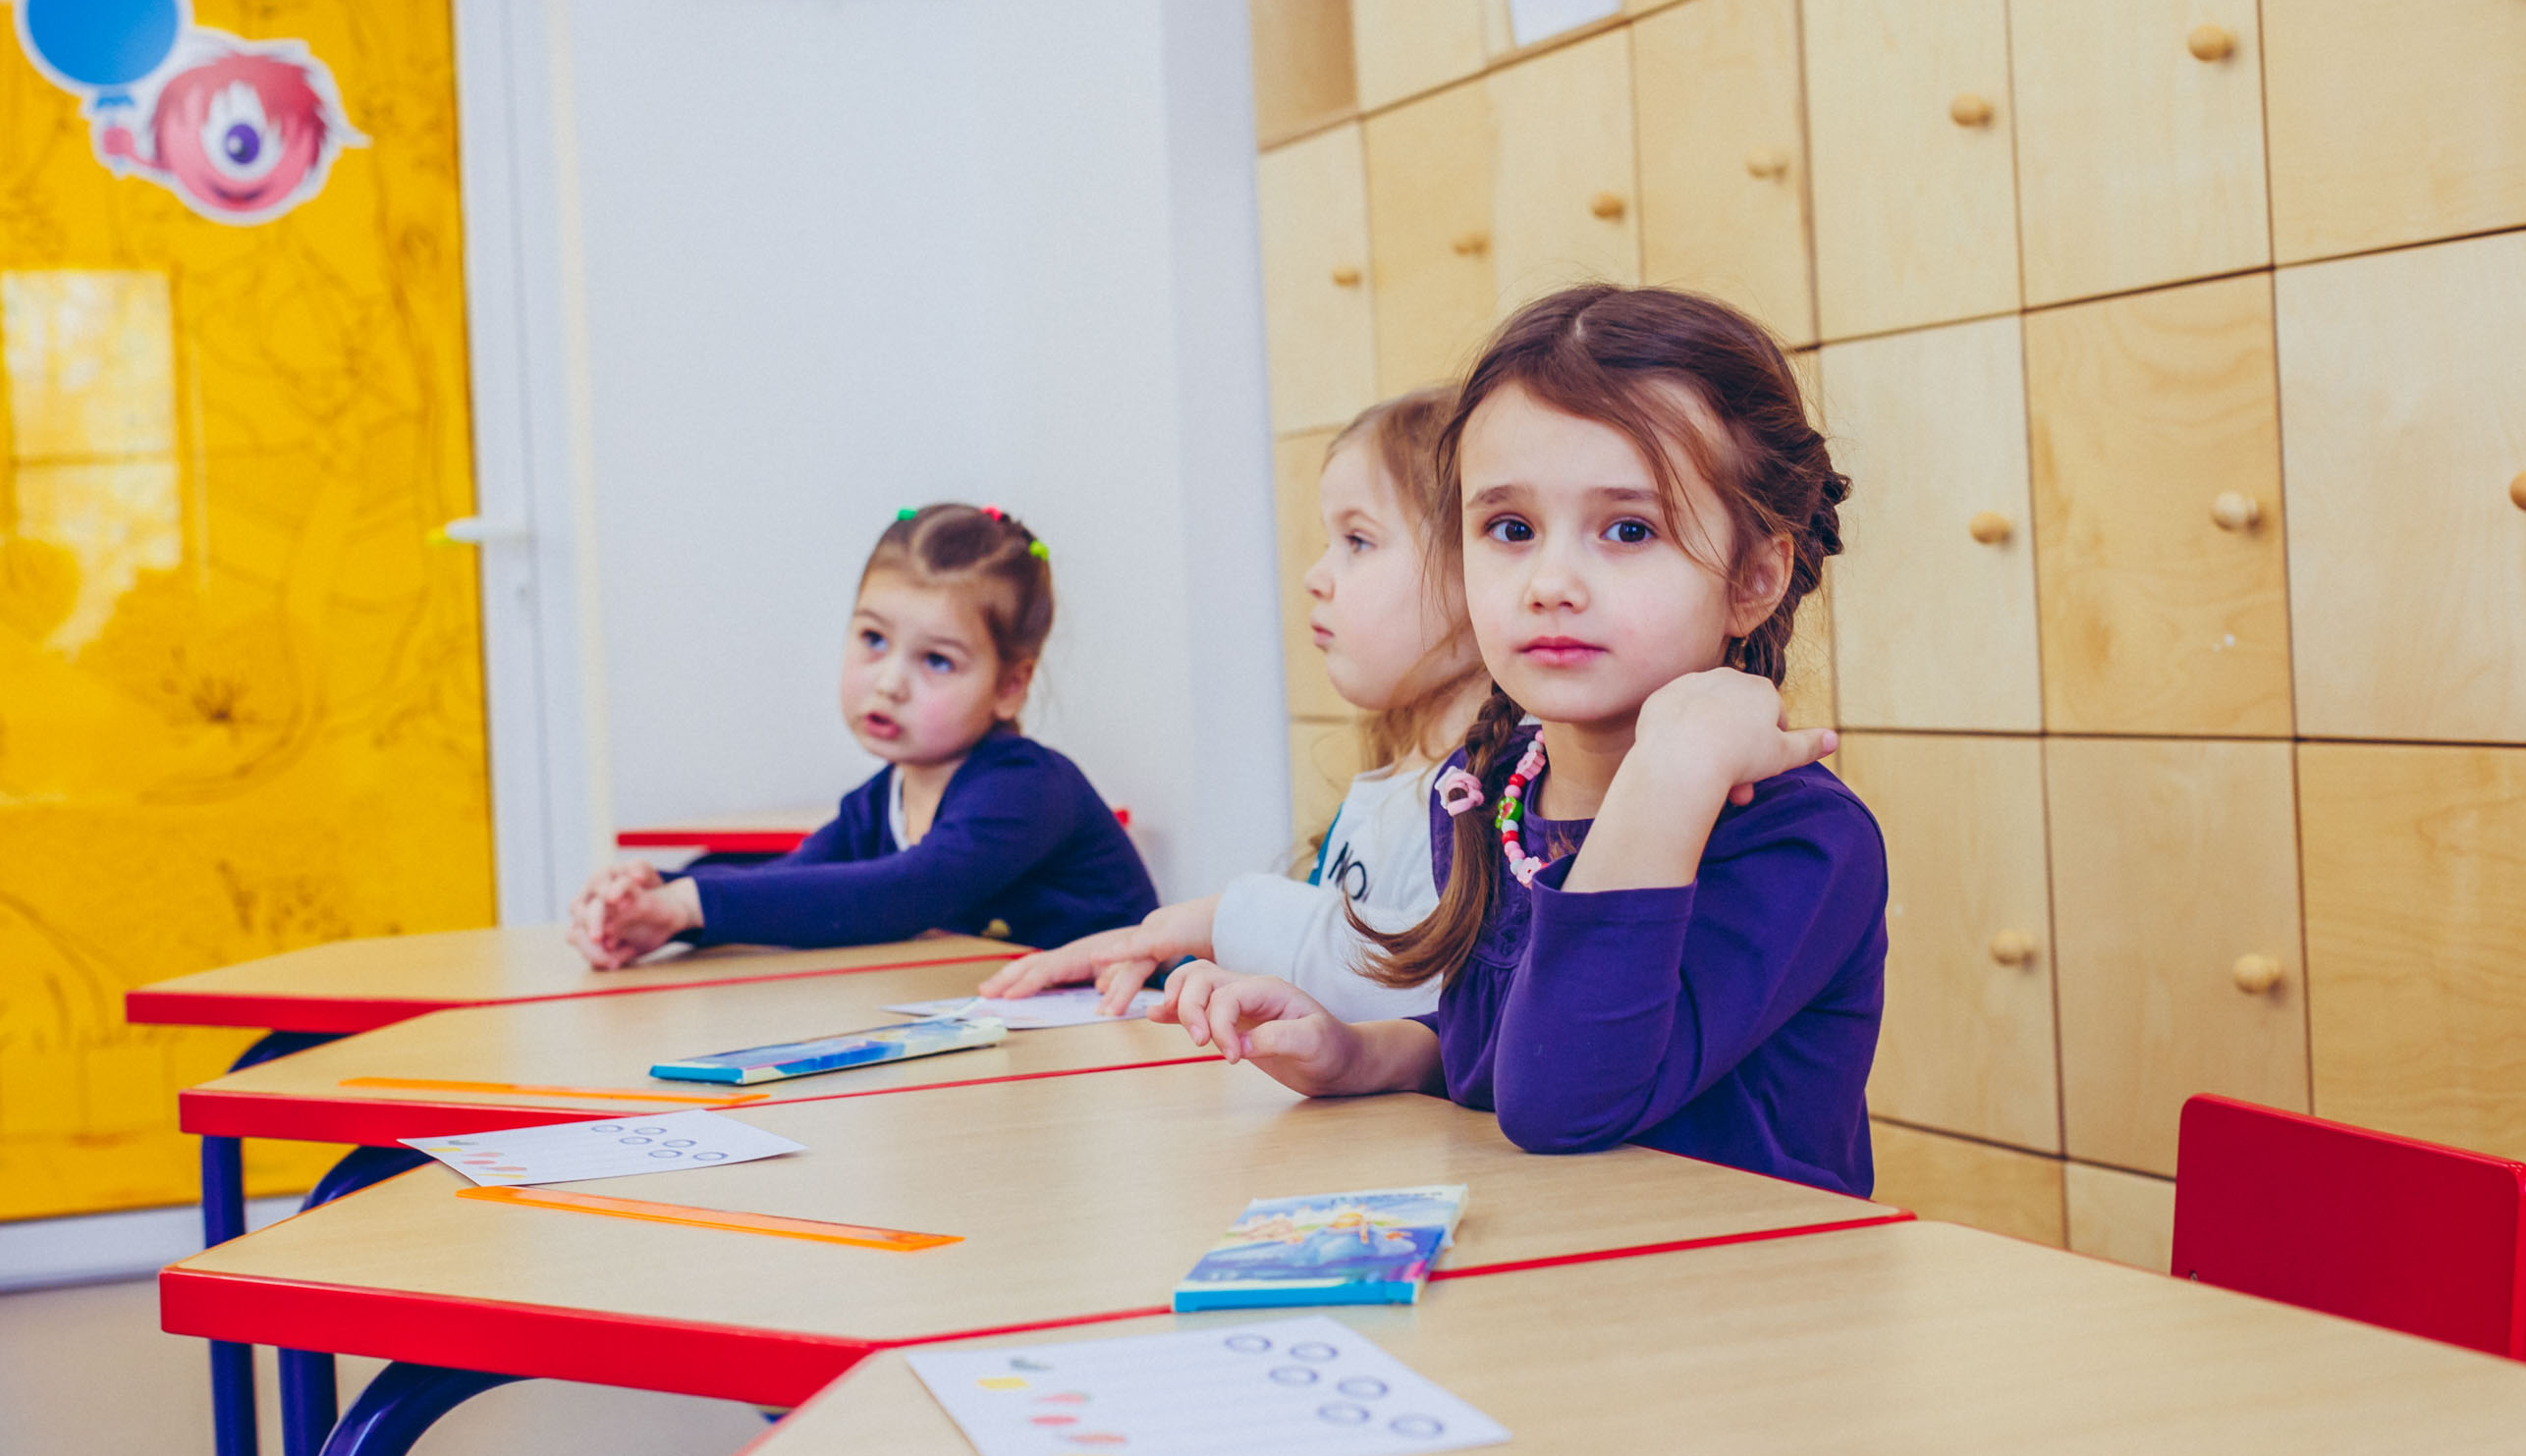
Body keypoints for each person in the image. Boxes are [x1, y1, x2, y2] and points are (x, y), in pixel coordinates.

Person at [1152, 286, 1885, 1196]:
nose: (1550, 581)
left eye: (1628, 529)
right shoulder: (1490, 788)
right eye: (1510, 529)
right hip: (1552, 1280)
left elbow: (1563, 1102)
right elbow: (1495, 1053)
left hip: (1739, 1304)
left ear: (1755, 578)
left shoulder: (1801, 840)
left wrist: (1670, 769)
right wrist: (1362, 1055)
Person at [980, 388, 1486, 1019]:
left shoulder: (1486, 800)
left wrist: (1210, 922)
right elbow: (1318, 973)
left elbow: (1438, 985)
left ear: (1480, 569)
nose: (1316, 575)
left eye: (1358, 540)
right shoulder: (1393, 783)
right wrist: (1175, 959)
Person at [567, 503, 1156, 966]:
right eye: (874, 640)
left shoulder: (1024, 788)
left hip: (1129, 1042)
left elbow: (900, 894)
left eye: (938, 661)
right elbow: (796, 884)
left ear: (1009, 686)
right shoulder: (883, 801)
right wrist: (649, 900)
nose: (891, 683)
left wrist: (685, 905)